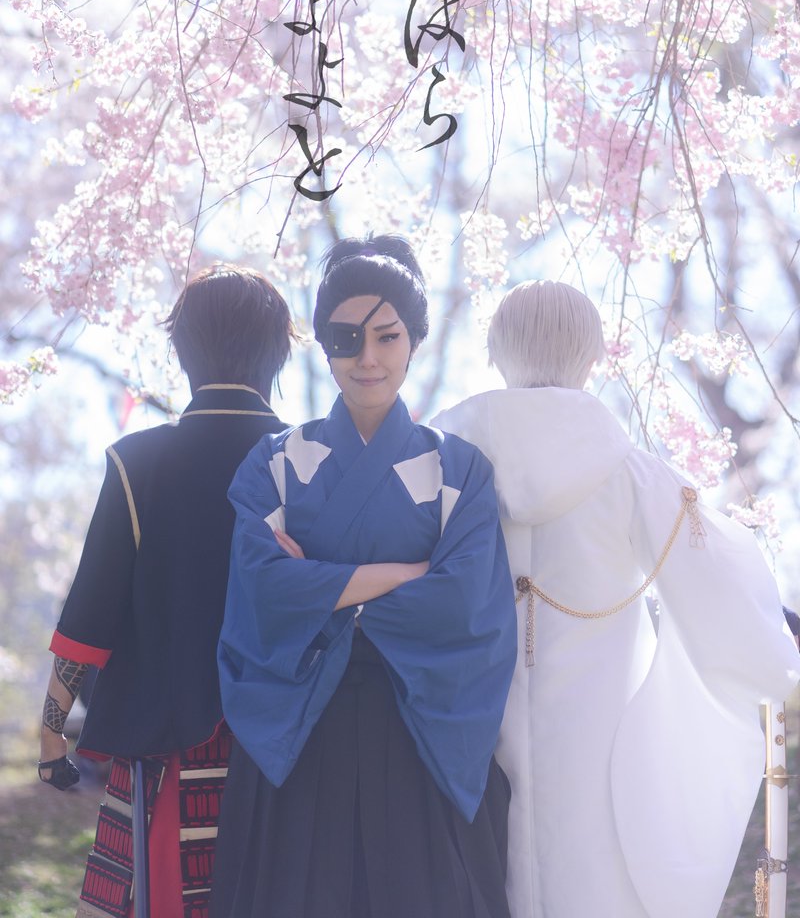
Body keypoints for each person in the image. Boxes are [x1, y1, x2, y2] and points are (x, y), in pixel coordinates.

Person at [432, 280, 800, 918]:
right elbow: (717, 584)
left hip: (466, 726)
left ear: (495, 351)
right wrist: (776, 648)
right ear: (593, 354)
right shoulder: (629, 474)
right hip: (599, 738)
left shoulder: (441, 466)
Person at [211, 235, 517, 918]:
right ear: (324, 345)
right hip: (299, 729)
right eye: (347, 339)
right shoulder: (274, 462)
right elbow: (262, 588)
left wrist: (321, 587)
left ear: (416, 341)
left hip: (417, 730)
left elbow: (464, 603)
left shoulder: (459, 468)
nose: (368, 357)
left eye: (387, 336)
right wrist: (409, 571)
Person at [38, 264, 294, 918]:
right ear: (279, 352)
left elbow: (88, 623)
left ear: (183, 351)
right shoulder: (309, 461)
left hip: (169, 752)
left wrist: (50, 737)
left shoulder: (139, 462)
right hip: (290, 749)